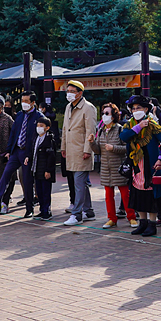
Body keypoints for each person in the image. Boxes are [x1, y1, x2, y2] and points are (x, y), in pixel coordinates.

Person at [120, 96, 161, 237]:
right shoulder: (129, 125)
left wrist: (160, 159)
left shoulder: (153, 125)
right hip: (136, 165)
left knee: (151, 195)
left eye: (139, 108)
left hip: (150, 165)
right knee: (138, 194)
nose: (136, 110)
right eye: (134, 108)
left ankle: (152, 224)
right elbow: (124, 137)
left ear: (146, 109)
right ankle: (142, 223)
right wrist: (138, 127)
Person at [0, 91, 39, 215]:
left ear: (33, 102)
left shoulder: (38, 117)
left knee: (27, 180)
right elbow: (14, 134)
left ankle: (29, 208)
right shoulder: (20, 115)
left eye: (27, 101)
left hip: (27, 153)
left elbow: (36, 138)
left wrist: (30, 154)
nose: (24, 103)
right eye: (22, 101)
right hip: (16, 151)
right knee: (5, 174)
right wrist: (9, 151)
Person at [61, 80, 98, 226]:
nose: (69, 94)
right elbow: (65, 129)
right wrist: (63, 147)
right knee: (81, 183)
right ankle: (88, 211)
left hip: (82, 152)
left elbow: (91, 131)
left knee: (78, 184)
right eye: (67, 91)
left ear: (80, 93)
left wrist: (88, 150)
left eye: (72, 91)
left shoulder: (88, 108)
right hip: (71, 151)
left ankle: (77, 215)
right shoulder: (68, 107)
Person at [93, 103, 133, 228]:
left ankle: (131, 217)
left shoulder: (120, 129)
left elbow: (127, 148)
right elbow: (98, 150)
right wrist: (91, 143)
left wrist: (113, 148)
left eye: (107, 113)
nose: (104, 116)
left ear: (114, 115)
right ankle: (111, 218)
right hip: (106, 167)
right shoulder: (101, 130)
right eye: (103, 113)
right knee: (108, 195)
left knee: (125, 194)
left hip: (119, 167)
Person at [26, 115, 58, 219]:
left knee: (45, 192)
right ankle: (42, 210)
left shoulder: (49, 139)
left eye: (41, 125)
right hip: (36, 169)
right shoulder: (36, 138)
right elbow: (33, 152)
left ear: (47, 127)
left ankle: (47, 211)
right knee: (39, 191)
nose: (38, 127)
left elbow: (51, 157)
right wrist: (28, 158)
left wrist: (48, 170)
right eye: (38, 125)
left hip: (45, 171)